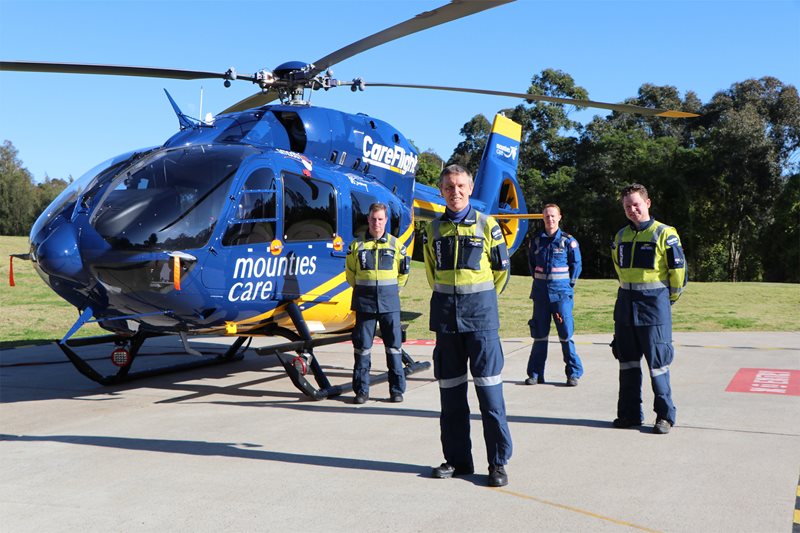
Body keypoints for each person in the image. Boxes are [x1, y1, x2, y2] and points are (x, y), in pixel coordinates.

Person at [423, 164, 512, 488]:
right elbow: (432, 273)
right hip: (447, 321)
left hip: (481, 322)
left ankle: (497, 463)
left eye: (460, 186)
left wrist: (479, 301)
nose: (455, 192)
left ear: (470, 189)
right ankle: (458, 461)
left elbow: (501, 272)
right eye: (448, 187)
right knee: (451, 396)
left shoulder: (488, 227)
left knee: (490, 396)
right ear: (441, 190)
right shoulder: (433, 230)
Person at [611, 183, 687, 434]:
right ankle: (629, 414)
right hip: (625, 307)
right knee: (627, 363)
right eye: (627, 206)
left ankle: (665, 416)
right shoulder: (621, 236)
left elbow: (678, 273)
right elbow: (618, 268)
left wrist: (669, 299)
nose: (632, 210)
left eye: (636, 204)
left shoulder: (665, 233)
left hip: (654, 308)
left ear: (648, 203)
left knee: (658, 365)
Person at [345, 202, 411, 404]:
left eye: (380, 219)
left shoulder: (397, 246)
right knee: (362, 348)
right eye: (373, 219)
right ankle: (361, 391)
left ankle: (397, 390)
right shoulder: (356, 246)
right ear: (368, 220)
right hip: (365, 303)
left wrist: (390, 291)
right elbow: (350, 274)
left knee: (394, 348)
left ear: (386, 220)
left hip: (389, 303)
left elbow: (403, 274)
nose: (376, 223)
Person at [525, 203, 584, 387]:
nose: (549, 219)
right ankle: (535, 374)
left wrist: (567, 286)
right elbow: (532, 265)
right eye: (546, 216)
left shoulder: (568, 241)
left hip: (561, 296)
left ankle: (573, 373)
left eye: (553, 216)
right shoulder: (535, 241)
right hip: (541, 296)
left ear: (559, 217)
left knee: (565, 335)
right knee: (539, 335)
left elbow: (577, 266)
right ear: (543, 218)